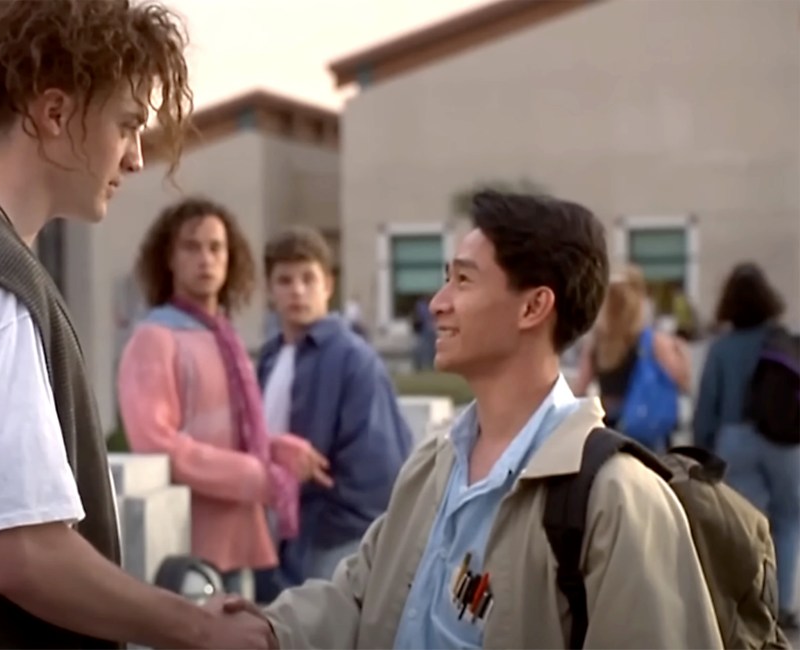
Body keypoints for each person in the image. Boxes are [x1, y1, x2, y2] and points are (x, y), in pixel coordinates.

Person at [0, 2, 274, 648]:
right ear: (55, 114)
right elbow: (24, 552)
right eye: (127, 124)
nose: (137, 157)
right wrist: (193, 627)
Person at [220, 190, 721, 648]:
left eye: (463, 280)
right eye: (445, 279)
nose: (437, 304)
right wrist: (268, 630)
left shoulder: (618, 500)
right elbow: (360, 596)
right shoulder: (433, 465)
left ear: (533, 306)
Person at [118, 197, 330, 597]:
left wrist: (278, 450)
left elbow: (228, 428)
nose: (206, 259)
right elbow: (156, 443)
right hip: (188, 548)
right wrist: (253, 475)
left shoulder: (224, 335)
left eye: (216, 247)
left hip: (239, 541)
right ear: (169, 257)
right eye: (191, 247)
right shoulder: (155, 339)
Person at [254, 226, 412, 601]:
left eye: (308, 278)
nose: (297, 290)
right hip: (274, 533)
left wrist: (326, 531)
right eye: (285, 280)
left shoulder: (354, 360)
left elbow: (381, 469)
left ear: (328, 284)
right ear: (269, 290)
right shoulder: (270, 355)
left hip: (330, 540)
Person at [694, 262, 799, 630]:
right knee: (788, 520)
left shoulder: (721, 348)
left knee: (742, 526)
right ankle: (784, 605)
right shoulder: (784, 339)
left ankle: (749, 605)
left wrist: (701, 448)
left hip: (734, 439)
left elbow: (707, 403)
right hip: (784, 440)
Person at [571, 265, 691, 450]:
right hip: (647, 427)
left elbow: (579, 390)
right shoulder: (653, 341)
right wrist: (681, 352)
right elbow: (683, 381)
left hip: (609, 426)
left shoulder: (597, 343)